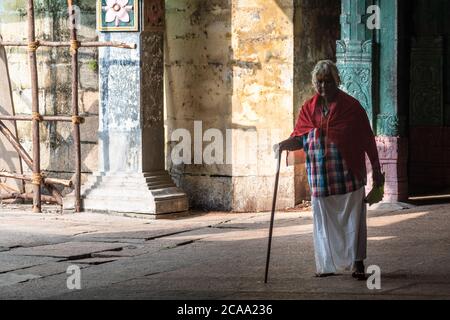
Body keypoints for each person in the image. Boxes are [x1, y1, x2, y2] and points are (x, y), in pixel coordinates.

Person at [276, 60, 384, 280]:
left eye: (328, 81)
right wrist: (283, 145)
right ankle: (326, 264)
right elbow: (300, 138)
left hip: (348, 175)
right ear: (315, 83)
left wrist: (377, 171)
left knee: (354, 221)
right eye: (319, 81)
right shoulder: (308, 109)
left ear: (337, 81)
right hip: (320, 178)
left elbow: (367, 140)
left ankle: (358, 264)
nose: (323, 86)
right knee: (323, 223)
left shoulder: (352, 108)